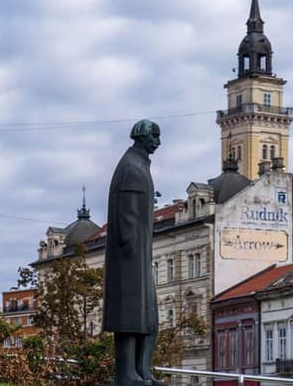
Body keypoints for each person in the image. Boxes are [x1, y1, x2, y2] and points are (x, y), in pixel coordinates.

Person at [103, 119, 163, 386]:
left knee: (148, 316)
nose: (158, 142)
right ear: (142, 136)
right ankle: (127, 374)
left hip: (139, 254)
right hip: (130, 256)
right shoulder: (131, 166)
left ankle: (142, 371)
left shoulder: (138, 165)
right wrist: (130, 247)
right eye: (154, 137)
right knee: (129, 316)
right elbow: (126, 214)